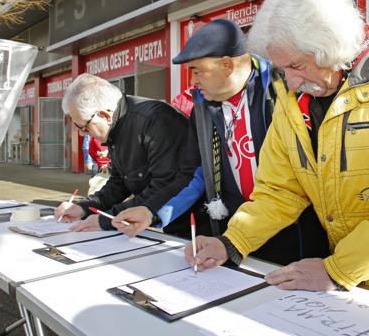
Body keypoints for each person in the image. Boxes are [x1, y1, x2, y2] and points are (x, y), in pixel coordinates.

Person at [185, 0, 369, 314]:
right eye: (280, 68)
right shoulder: (293, 98)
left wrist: (336, 269)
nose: (289, 81)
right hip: (352, 275)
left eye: (296, 65)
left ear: (330, 46)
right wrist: (232, 242)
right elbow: (279, 191)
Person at [111, 19, 329, 266]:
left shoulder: (284, 90)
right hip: (235, 233)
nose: (193, 81)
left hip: (296, 234)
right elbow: (194, 175)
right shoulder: (202, 108)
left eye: (197, 70)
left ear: (227, 65)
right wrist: (152, 212)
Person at [54, 74, 188, 233]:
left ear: (105, 115)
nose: (82, 134)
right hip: (167, 219)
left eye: (84, 127)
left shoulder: (156, 121)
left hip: (196, 224)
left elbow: (166, 186)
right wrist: (84, 207)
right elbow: (119, 182)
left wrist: (107, 219)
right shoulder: (118, 125)